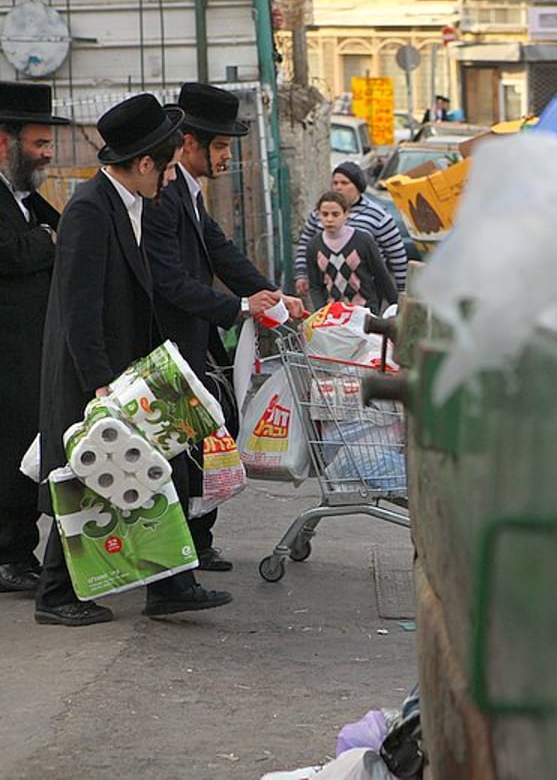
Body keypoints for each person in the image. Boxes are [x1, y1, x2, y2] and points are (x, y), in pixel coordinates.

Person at [35, 93, 232, 626]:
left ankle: (171, 584)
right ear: (145, 164)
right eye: (165, 169)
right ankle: (55, 594)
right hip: (91, 371)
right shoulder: (89, 211)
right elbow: (78, 310)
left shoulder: (130, 203)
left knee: (152, 469)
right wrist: (99, 384)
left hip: (127, 366)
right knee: (81, 478)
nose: (169, 181)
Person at [142, 82, 305, 573]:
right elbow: (167, 279)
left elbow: (222, 252)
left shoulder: (190, 195)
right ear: (187, 142)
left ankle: (197, 539)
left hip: (196, 337)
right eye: (217, 147)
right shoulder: (165, 196)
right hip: (168, 339)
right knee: (185, 446)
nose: (225, 158)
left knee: (207, 438)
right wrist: (239, 305)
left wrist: (273, 296)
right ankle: (180, 552)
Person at [0, 82, 68, 593]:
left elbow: (53, 231)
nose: (48, 154)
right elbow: (12, 253)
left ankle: (16, 550)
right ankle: (8, 556)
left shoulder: (22, 196)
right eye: (39, 144)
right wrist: (43, 241)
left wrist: (42, 237)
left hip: (27, 350)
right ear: (5, 141)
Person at [293, 162, 406, 298]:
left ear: (358, 186)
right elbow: (305, 244)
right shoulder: (320, 213)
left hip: (365, 290)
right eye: (335, 183)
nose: (338, 187)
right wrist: (301, 274)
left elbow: (396, 255)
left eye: (344, 183)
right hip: (327, 289)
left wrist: (401, 293)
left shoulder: (378, 216)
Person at [306, 190, 398, 314]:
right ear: (318, 215)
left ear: (346, 214)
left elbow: (381, 275)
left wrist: (396, 307)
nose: (329, 219)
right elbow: (315, 286)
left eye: (335, 214)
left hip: (364, 311)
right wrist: (322, 312)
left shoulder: (363, 241)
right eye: (325, 214)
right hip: (333, 314)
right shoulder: (314, 246)